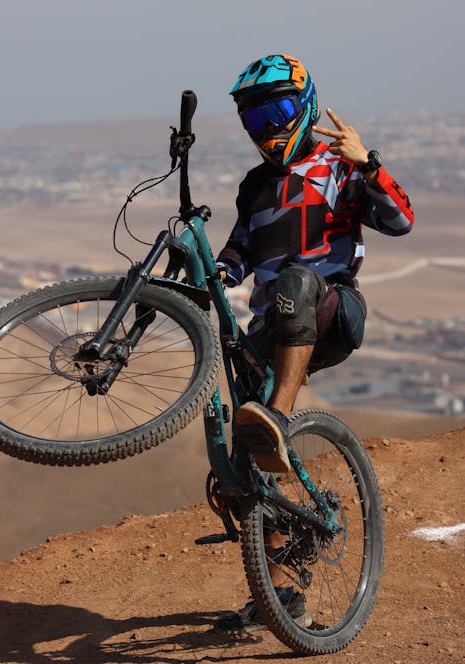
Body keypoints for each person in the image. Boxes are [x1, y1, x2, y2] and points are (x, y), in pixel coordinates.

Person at [214, 53, 414, 633]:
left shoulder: (338, 168)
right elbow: (237, 254)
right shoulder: (255, 188)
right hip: (269, 330)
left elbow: (401, 221)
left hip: (332, 309)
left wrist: (369, 165)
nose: (267, 130)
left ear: (302, 105)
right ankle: (278, 592)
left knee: (298, 281)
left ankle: (278, 415)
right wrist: (211, 270)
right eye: (254, 121)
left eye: (275, 111)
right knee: (241, 467)